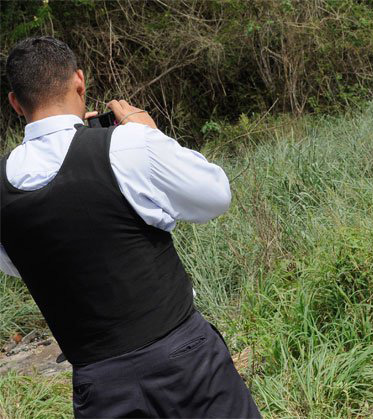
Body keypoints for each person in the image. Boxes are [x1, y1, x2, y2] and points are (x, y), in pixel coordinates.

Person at [2, 36, 261, 418]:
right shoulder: (127, 145)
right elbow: (215, 195)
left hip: (100, 386)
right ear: (79, 81)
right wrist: (150, 133)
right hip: (185, 361)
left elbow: (18, 265)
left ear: (15, 103)